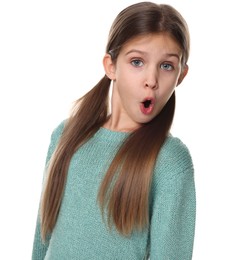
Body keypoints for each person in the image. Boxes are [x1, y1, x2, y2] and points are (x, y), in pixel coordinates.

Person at [32, 1, 196, 259]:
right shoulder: (65, 136)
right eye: (137, 62)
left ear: (181, 76)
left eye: (166, 66)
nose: (151, 81)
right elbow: (43, 236)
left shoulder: (169, 162)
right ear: (111, 65)